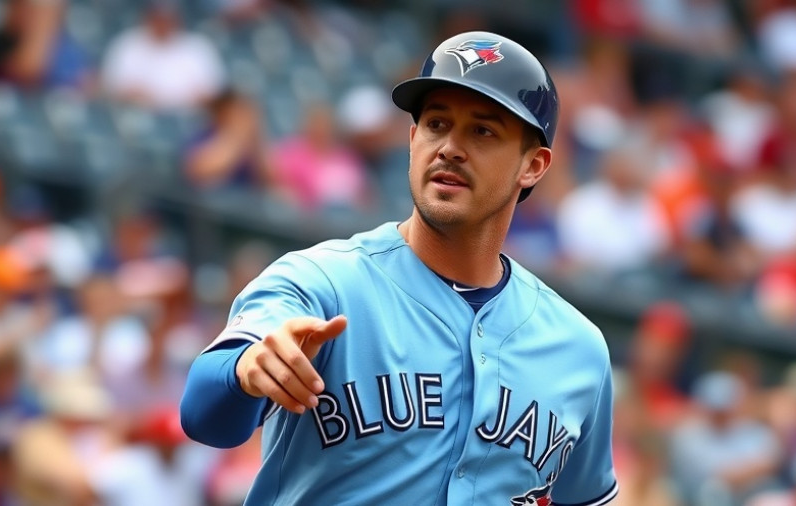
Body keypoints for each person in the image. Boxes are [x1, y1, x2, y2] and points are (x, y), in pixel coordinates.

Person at [181, 31, 618, 506]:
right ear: (412, 140)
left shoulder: (579, 349)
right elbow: (206, 414)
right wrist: (246, 369)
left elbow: (584, 497)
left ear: (533, 166)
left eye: (482, 131)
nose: (449, 147)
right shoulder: (322, 283)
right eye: (436, 124)